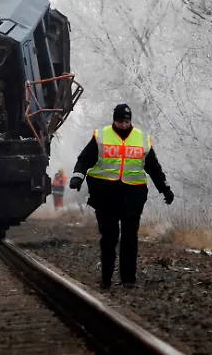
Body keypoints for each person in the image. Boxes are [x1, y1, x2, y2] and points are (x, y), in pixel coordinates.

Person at [69, 103, 174, 290]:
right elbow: (84, 159)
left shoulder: (142, 139)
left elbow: (154, 168)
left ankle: (128, 279)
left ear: (130, 120)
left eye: (126, 121)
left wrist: (164, 189)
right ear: (114, 120)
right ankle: (106, 278)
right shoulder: (101, 137)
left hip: (133, 196)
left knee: (129, 237)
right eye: (119, 121)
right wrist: (78, 176)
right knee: (109, 237)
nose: (123, 125)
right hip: (105, 196)